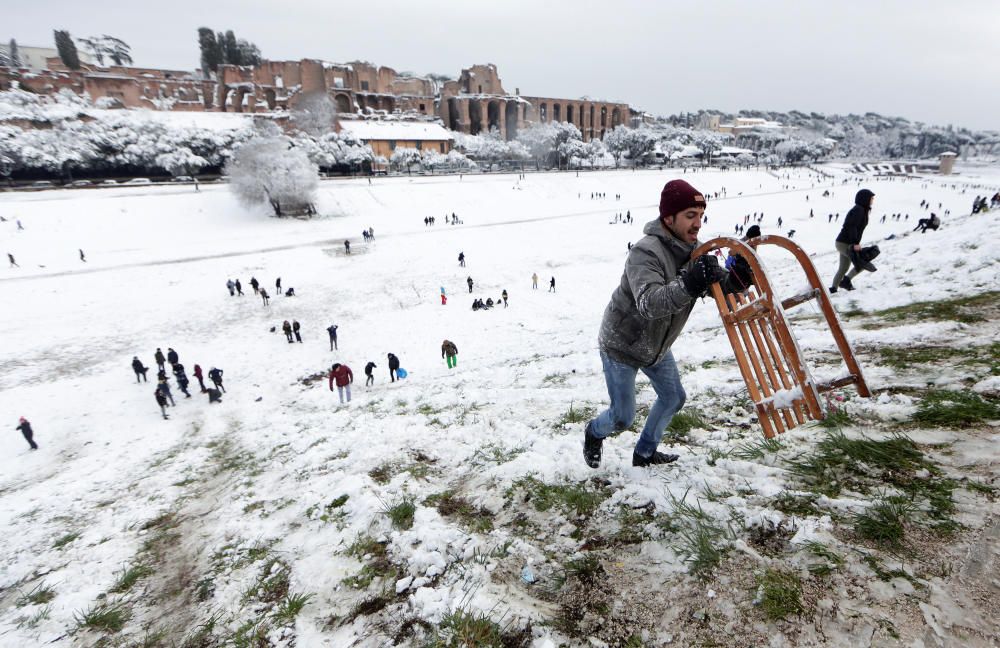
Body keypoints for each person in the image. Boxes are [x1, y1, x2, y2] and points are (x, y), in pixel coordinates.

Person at [584, 179, 754, 469]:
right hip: (622, 344)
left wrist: (736, 281)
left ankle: (645, 453)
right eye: (690, 215)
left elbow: (714, 287)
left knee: (674, 397)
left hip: (656, 344)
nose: (698, 223)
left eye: (701, 215)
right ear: (668, 218)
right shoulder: (644, 252)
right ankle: (593, 432)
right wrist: (690, 281)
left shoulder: (695, 252)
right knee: (623, 417)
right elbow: (649, 303)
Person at [830, 189, 874, 293]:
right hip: (845, 243)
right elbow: (852, 226)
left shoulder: (862, 209)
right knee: (862, 262)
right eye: (871, 198)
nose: (872, 200)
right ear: (865, 199)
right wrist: (855, 243)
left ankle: (833, 289)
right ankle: (846, 281)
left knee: (843, 268)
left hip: (843, 242)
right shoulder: (859, 210)